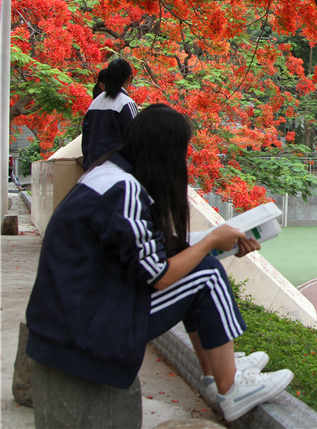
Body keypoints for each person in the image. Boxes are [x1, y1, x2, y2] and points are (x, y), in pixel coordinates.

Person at [26, 104, 293, 423]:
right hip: (87, 329)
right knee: (206, 276)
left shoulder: (107, 174)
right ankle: (231, 385)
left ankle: (218, 374)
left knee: (199, 271)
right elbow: (160, 275)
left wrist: (218, 242)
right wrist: (209, 242)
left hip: (72, 317)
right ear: (165, 151)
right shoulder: (124, 189)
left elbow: (145, 252)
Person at [81, 58, 139, 169]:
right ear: (129, 78)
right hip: (117, 171)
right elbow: (135, 140)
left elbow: (86, 142)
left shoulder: (94, 104)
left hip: (93, 170)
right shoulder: (126, 103)